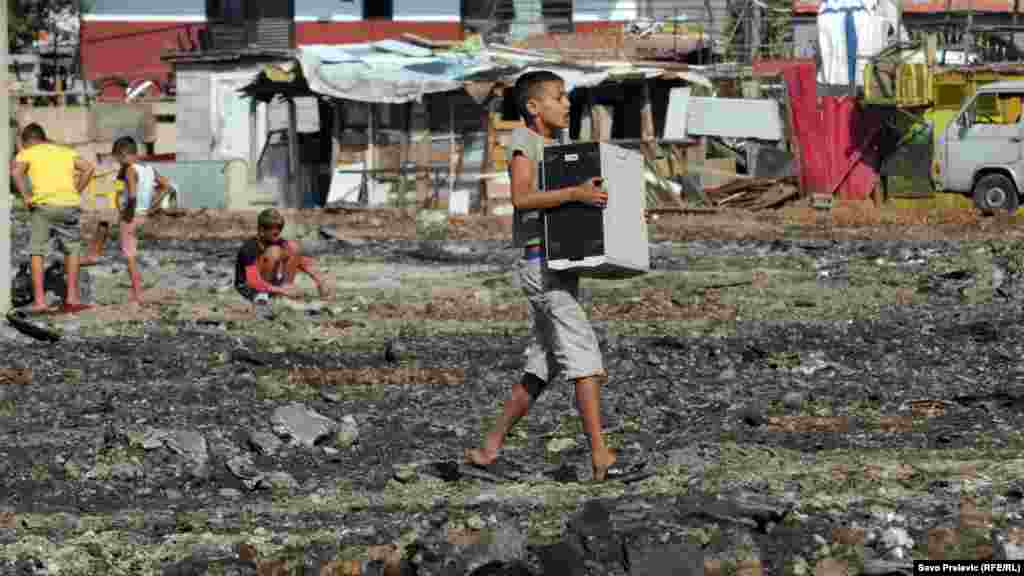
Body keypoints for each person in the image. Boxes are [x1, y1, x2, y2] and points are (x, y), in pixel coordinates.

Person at [464, 70, 618, 481]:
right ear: (534, 107)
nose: (567, 104)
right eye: (558, 97)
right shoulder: (524, 142)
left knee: (544, 364)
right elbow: (521, 197)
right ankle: (600, 455)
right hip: (540, 266)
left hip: (561, 266)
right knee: (584, 357)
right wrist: (575, 194)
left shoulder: (559, 147)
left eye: (567, 97)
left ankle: (489, 448)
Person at [11, 123, 96, 314]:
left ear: (27, 142)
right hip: (68, 205)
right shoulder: (65, 151)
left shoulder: (28, 152)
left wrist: (25, 197)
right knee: (72, 249)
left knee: (37, 250)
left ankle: (40, 301)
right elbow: (89, 168)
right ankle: (72, 299)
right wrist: (76, 191)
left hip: (44, 206)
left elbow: (16, 172)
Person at [81, 136, 173, 305]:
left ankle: (137, 293)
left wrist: (127, 210)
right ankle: (93, 254)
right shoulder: (149, 168)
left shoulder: (130, 169)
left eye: (117, 158)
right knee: (104, 223)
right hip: (142, 214)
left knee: (129, 255)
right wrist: (154, 207)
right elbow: (167, 186)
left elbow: (131, 195)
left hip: (131, 215)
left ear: (123, 155)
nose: (117, 162)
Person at [234, 208, 331, 303]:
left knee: (293, 247)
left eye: (279, 228)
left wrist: (320, 280)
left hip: (271, 285)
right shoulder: (248, 249)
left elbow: (301, 260)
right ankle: (273, 293)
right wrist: (282, 290)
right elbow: (253, 281)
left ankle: (284, 292)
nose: (278, 232)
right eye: (272, 229)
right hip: (249, 287)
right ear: (261, 230)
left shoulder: (277, 241)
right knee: (274, 252)